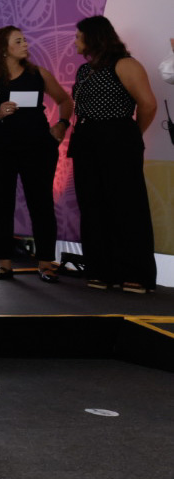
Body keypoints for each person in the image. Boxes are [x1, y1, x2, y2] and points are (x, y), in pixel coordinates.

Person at [0, 26, 72, 283]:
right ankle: (4, 265)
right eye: (18, 41)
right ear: (3, 49)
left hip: (38, 148)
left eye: (24, 40)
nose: (25, 44)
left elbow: (64, 101)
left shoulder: (38, 74)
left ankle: (46, 263)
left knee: (41, 203)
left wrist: (61, 125)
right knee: (1, 205)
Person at [70, 15, 158, 293]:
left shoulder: (125, 64)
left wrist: (132, 135)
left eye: (78, 36)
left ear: (93, 37)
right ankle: (101, 270)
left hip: (117, 137)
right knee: (92, 205)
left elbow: (148, 105)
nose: (75, 41)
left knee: (127, 205)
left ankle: (136, 274)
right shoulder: (85, 70)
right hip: (86, 139)